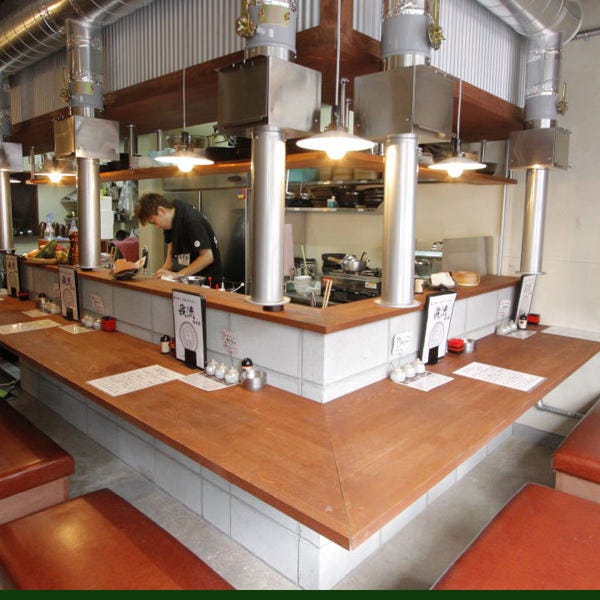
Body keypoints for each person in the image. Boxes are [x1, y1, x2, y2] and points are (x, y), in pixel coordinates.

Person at [135, 193, 223, 283]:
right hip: (188, 277)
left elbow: (207, 257)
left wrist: (178, 275)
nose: (157, 227)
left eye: (154, 222)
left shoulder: (192, 221)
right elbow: (171, 245)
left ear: (161, 210)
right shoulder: (171, 220)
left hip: (207, 280)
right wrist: (165, 268)